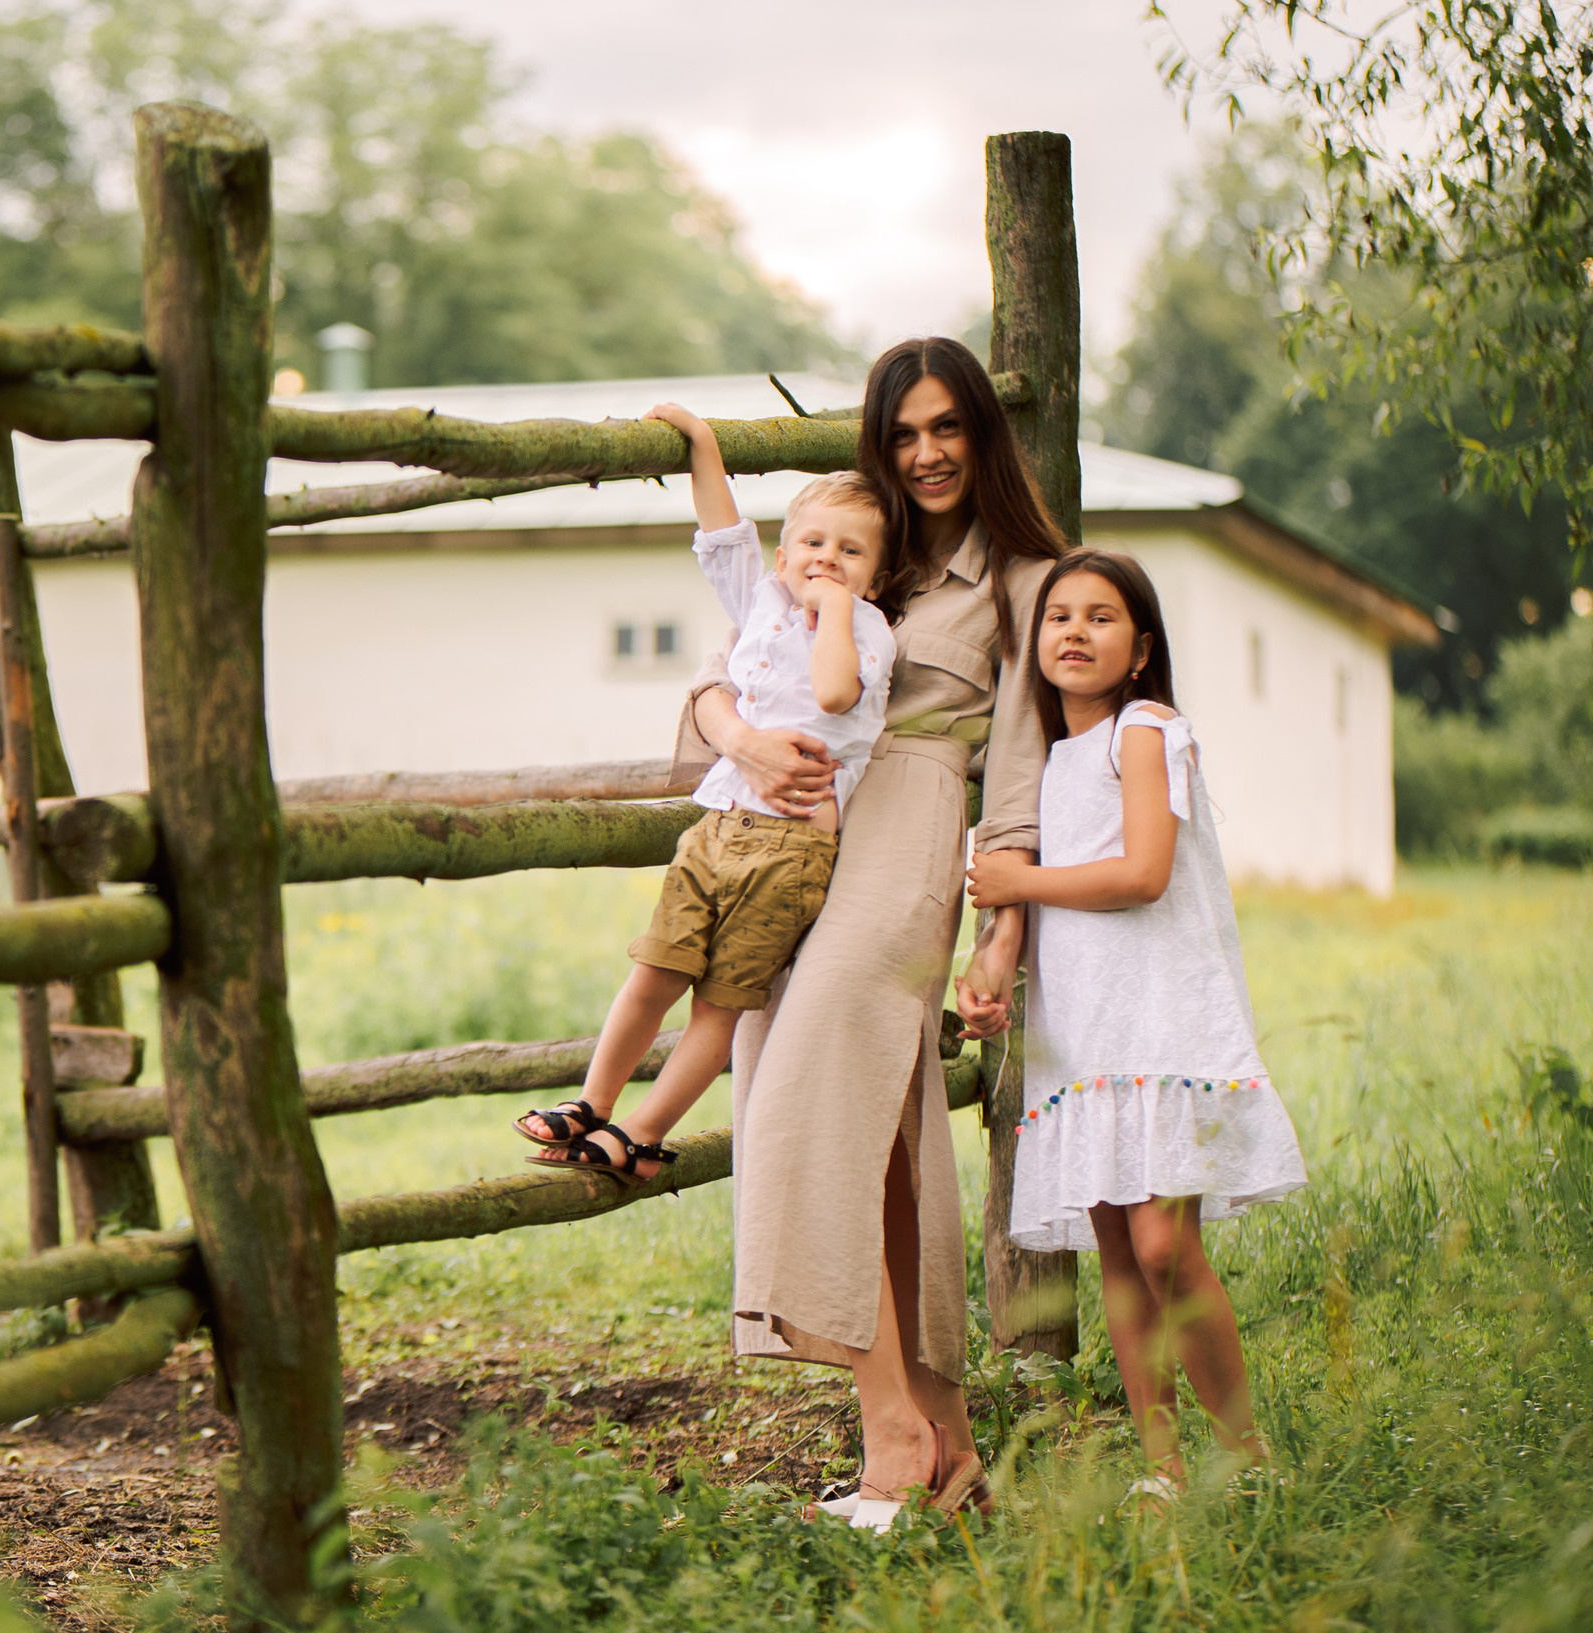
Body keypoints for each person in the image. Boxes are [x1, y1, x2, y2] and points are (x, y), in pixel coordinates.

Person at [693, 337, 1065, 1528]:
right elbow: (725, 670)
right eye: (903, 433)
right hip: (799, 833)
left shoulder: (1020, 575)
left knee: (806, 1082)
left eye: (947, 427)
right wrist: (740, 740)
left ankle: (895, 1433)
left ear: (982, 433)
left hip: (910, 828)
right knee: (877, 1128)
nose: (925, 453)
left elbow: (1020, 764)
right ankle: (939, 1444)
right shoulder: (850, 541)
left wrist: (999, 930)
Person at [959, 549, 1302, 1485]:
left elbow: (1144, 873)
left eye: (1101, 616)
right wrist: (995, 956)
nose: (1075, 631)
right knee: (1116, 1249)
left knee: (1163, 1245)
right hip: (1085, 1028)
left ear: (1142, 649)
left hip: (1159, 1021)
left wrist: (1019, 881)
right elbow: (1023, 888)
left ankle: (1246, 1455)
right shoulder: (1044, 762)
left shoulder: (1145, 730)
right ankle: (1164, 1467)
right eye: (1058, 615)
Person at [516, 411, 895, 1180]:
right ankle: (592, 1101)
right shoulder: (761, 603)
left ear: (876, 578)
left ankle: (641, 1133)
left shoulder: (868, 631)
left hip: (790, 853)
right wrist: (703, 443)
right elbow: (723, 532)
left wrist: (835, 609)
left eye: (850, 551)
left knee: (716, 1008)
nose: (827, 558)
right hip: (717, 828)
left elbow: (832, 693)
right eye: (813, 544)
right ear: (783, 557)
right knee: (653, 972)